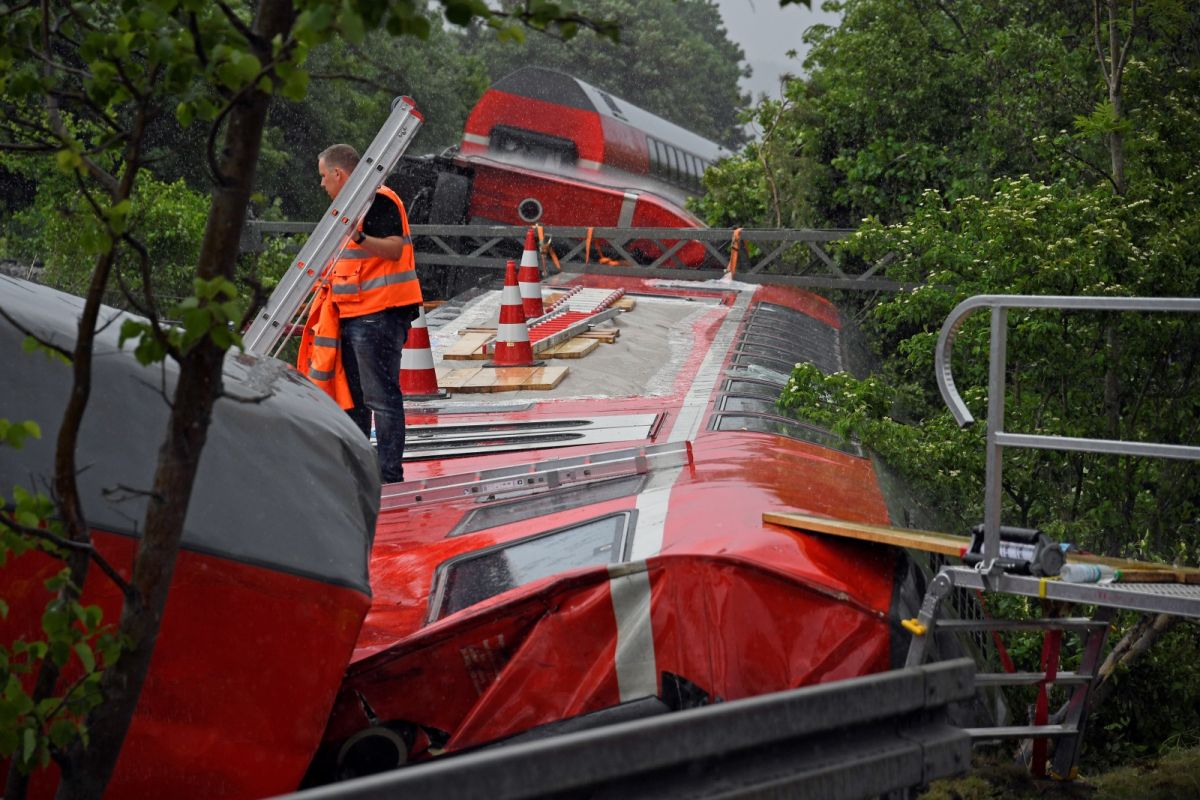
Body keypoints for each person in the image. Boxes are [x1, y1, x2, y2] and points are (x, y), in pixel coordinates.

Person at [313, 143, 422, 484]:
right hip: (356, 314)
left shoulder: (377, 199)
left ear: (338, 173)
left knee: (380, 398)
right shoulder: (351, 208)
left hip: (378, 314)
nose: (321, 185)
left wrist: (358, 236)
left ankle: (388, 474)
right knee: (356, 398)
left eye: (323, 177)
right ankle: (363, 471)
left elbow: (394, 248)